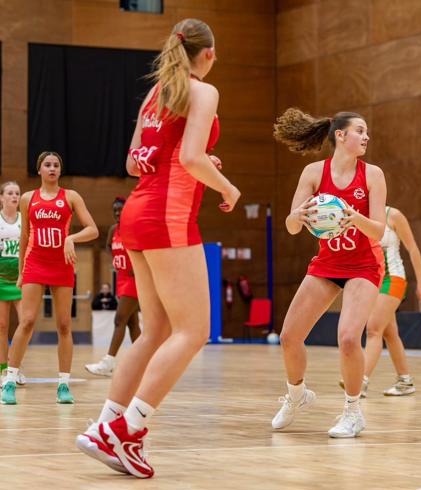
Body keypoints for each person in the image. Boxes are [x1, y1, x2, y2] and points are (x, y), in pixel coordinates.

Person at [76, 19, 240, 479]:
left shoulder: (155, 94)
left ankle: (105, 425)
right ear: (207, 54)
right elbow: (189, 158)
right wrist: (227, 188)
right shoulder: (203, 92)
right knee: (194, 331)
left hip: (138, 210)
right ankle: (129, 429)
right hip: (167, 214)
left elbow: (134, 161)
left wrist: (200, 165)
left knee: (156, 329)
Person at [270, 108, 386, 438]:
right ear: (340, 135)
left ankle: (352, 411)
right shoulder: (312, 172)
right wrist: (300, 214)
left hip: (364, 263)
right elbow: (292, 227)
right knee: (289, 337)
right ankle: (296, 395)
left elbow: (378, 230)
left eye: (367, 132)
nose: (366, 137)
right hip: (327, 263)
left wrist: (354, 217)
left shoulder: (373, 174)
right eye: (360, 131)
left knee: (349, 337)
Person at [1, 152, 98, 406]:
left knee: (65, 325)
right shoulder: (27, 198)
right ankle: (9, 379)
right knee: (27, 321)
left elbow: (93, 229)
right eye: (48, 165)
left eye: (56, 165)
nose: (52, 168)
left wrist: (71, 238)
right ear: (40, 170)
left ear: (59, 171)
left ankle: (63, 384)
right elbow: (24, 238)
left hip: (62, 265)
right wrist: (21, 271)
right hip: (35, 263)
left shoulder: (71, 197)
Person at [360, 205, 421, 396]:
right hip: (374, 281)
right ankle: (405, 381)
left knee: (373, 329)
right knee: (390, 333)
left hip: (394, 278)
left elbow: (413, 248)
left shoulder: (394, 215)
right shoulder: (361, 216)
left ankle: (361, 381)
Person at [85, 197, 141, 377]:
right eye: (115, 210)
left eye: (121, 209)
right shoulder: (113, 230)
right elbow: (109, 246)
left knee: (119, 319)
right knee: (132, 324)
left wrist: (137, 267)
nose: (118, 213)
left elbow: (145, 250)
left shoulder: (134, 228)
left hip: (134, 279)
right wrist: (118, 261)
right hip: (121, 279)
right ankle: (144, 363)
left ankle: (108, 362)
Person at [0, 182, 26, 387]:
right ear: (1, 197)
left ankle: (16, 368)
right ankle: (3, 370)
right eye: (10, 193)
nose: (14, 196)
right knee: (2, 326)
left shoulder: (25, 220)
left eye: (17, 193)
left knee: (25, 323)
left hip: (21, 279)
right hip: (1, 279)